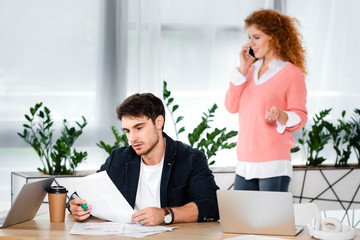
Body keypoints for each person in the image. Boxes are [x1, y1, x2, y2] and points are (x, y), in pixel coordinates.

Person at [69, 93, 219, 226]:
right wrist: (74, 206)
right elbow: (81, 195)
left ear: (159, 122)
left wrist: (165, 215)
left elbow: (212, 205)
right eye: (127, 131)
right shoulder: (118, 158)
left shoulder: (190, 158)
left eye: (139, 128)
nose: (132, 138)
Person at [224, 9, 308, 192]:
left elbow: (300, 115)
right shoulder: (249, 71)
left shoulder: (292, 74)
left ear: (274, 37)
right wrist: (243, 68)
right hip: (245, 160)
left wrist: (281, 116)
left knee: (271, 221)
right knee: (242, 219)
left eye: (256, 37)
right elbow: (231, 106)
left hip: (274, 162)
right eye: (249, 37)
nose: (250, 43)